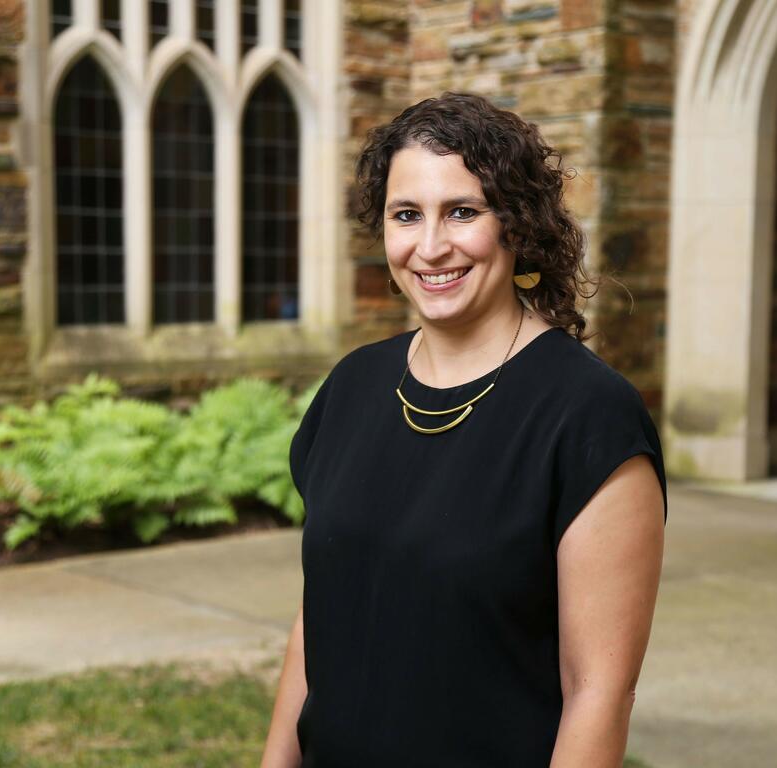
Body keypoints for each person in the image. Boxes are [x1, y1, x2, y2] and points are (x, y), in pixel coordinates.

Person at [259, 92, 667, 768]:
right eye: (407, 215)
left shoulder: (589, 418)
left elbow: (599, 690)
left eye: (462, 212)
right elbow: (319, 620)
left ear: (516, 223)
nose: (431, 247)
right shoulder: (353, 388)